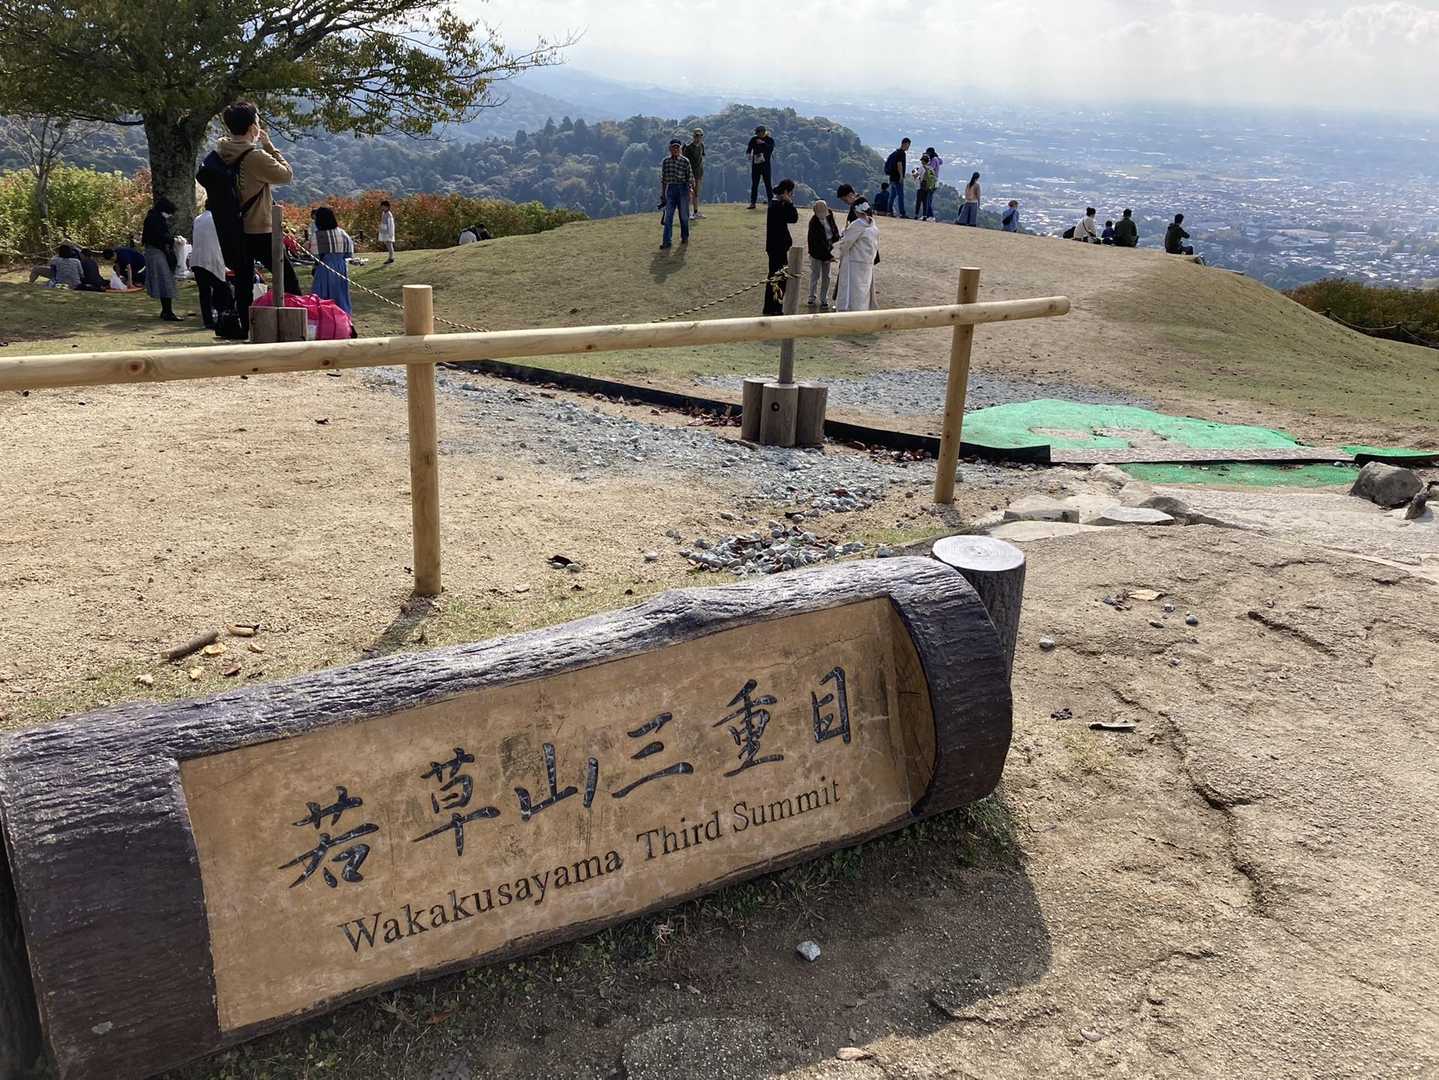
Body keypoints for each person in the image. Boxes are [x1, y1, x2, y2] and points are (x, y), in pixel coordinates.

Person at [216, 100, 300, 336]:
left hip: (233, 228)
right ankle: (295, 323)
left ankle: (244, 327)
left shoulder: (222, 151)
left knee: (243, 282)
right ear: (253, 126)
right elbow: (286, 175)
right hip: (260, 228)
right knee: (288, 278)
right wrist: (269, 145)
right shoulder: (255, 156)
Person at [190, 208, 232, 330]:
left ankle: (208, 321)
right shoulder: (218, 218)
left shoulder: (198, 219)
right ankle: (224, 316)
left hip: (197, 259)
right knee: (222, 288)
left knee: (204, 292)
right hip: (211, 259)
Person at [310, 206, 355, 317]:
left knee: (322, 294)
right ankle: (343, 318)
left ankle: (325, 318)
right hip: (341, 267)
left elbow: (315, 256)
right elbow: (349, 253)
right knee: (341, 294)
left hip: (324, 267)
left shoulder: (318, 236)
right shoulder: (343, 233)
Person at [142, 196, 181, 321]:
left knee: (164, 281)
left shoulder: (153, 218)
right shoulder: (155, 219)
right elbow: (159, 236)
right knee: (165, 280)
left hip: (155, 251)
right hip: (156, 251)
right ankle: (168, 312)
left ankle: (166, 310)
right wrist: (172, 240)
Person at [763, 178, 799, 315]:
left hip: (776, 247)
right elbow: (793, 218)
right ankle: (775, 308)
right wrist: (790, 203)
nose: (792, 195)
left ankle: (770, 308)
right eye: (791, 193)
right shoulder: (777, 206)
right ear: (786, 192)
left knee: (774, 277)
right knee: (779, 279)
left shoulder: (775, 204)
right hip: (777, 248)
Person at [834, 202, 879, 312]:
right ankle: (862, 311)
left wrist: (843, 236)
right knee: (863, 289)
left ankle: (849, 311)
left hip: (854, 262)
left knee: (852, 289)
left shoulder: (857, 225)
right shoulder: (873, 227)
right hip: (867, 262)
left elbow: (846, 243)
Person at [659, 138, 695, 249]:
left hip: (683, 188)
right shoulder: (666, 162)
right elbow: (664, 179)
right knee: (668, 217)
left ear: (680, 149)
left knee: (684, 216)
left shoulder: (685, 161)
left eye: (677, 147)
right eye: (673, 147)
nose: (675, 149)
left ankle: (685, 236)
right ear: (670, 149)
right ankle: (666, 241)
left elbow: (690, 177)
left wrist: (690, 189)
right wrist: (663, 194)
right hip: (671, 189)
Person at [806, 199, 840, 310]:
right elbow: (817, 243)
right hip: (816, 253)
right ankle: (811, 297)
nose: (822, 215)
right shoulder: (813, 223)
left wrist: (836, 237)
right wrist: (829, 257)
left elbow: (834, 228)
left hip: (827, 248)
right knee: (815, 275)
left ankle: (824, 299)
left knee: (827, 277)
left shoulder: (829, 215)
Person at [746, 125, 775, 208]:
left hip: (766, 165)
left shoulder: (770, 140)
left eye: (759, 133)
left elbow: (770, 149)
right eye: (757, 133)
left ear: (763, 132)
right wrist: (749, 154)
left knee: (768, 184)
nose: (758, 135)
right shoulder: (754, 139)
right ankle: (753, 203)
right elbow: (749, 148)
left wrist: (763, 143)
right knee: (754, 184)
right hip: (756, 165)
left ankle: (770, 201)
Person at [682, 129, 706, 219]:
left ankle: (695, 212)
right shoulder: (688, 148)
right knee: (690, 193)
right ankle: (688, 212)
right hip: (690, 173)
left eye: (700, 136)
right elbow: (685, 161)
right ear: (693, 136)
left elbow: (701, 157)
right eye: (696, 136)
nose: (698, 138)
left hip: (699, 173)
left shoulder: (701, 146)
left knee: (696, 193)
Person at [884, 138, 910, 217]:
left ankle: (889, 211)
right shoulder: (901, 153)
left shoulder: (896, 152)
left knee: (892, 195)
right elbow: (899, 164)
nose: (908, 147)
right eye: (908, 145)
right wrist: (901, 176)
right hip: (897, 178)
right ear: (904, 144)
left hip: (892, 177)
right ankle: (902, 213)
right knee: (900, 196)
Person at [916, 155, 938, 220]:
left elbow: (916, 176)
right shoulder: (931, 169)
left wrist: (914, 172)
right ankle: (925, 215)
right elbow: (934, 178)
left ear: (923, 161)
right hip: (928, 187)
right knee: (925, 202)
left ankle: (916, 215)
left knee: (919, 201)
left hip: (921, 187)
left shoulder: (921, 168)